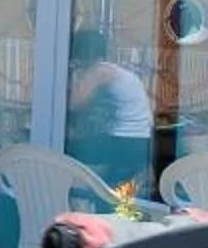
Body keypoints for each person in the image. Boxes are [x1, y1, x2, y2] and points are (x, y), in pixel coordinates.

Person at [65, 27, 155, 189]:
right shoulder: (112, 70)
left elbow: (73, 104)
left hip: (125, 142)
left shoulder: (99, 71)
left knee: (68, 149)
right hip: (139, 141)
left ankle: (68, 188)